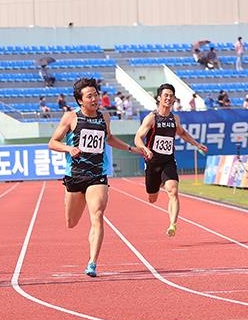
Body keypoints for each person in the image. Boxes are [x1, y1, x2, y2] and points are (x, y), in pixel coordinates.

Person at [47, 78, 144, 278]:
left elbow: (108, 138)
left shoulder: (104, 116)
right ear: (80, 100)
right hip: (74, 175)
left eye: (96, 95)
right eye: (89, 96)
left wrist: (132, 148)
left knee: (97, 214)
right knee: (71, 222)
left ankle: (92, 262)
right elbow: (52, 142)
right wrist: (68, 148)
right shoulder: (70, 117)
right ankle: (75, 209)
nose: (95, 99)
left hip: (97, 175)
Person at [134, 84, 208, 237]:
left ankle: (172, 224)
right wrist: (145, 149)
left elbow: (182, 133)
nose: (168, 98)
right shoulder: (152, 118)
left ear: (174, 99)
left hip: (168, 161)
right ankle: (159, 182)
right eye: (165, 95)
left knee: (173, 191)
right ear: (159, 98)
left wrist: (197, 144)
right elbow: (138, 137)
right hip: (153, 163)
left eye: (171, 95)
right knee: (152, 198)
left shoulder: (175, 118)